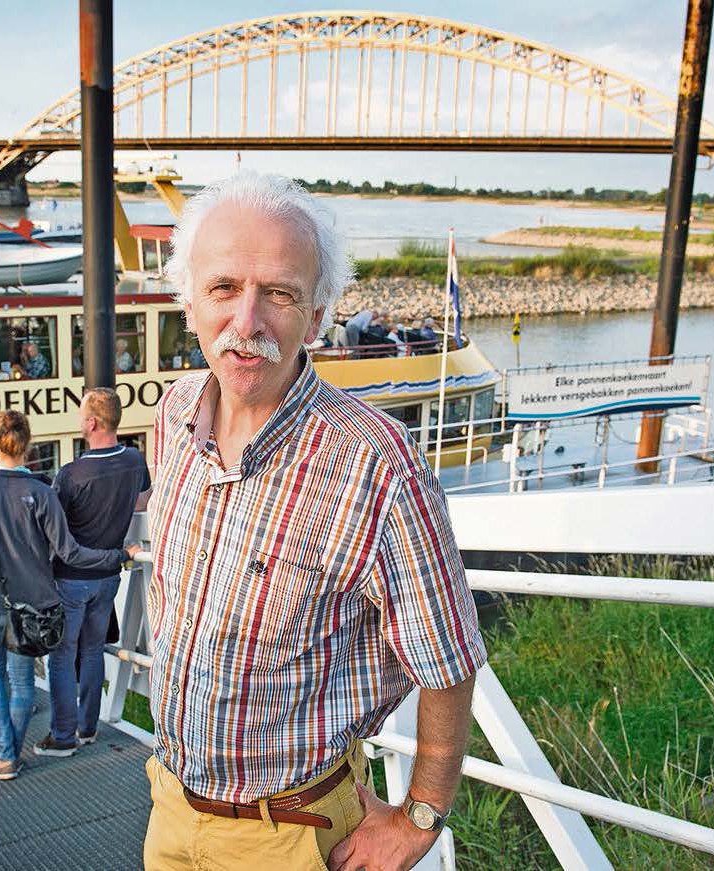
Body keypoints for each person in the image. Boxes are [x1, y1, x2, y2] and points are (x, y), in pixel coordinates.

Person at [149, 172, 486, 870]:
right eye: (222, 288)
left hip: (295, 832)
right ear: (188, 300)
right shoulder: (174, 414)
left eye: (279, 293)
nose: (247, 323)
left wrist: (421, 814)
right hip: (171, 807)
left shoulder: (377, 464)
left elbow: (448, 659)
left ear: (319, 311)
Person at [0, 410, 139, 781]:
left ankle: (5, 754)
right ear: (28, 445)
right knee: (21, 681)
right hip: (32, 603)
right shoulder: (41, 491)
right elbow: (69, 552)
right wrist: (117, 555)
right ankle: (11, 754)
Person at [35, 388, 152, 757]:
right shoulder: (134, 459)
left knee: (61, 656)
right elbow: (142, 502)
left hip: (71, 576)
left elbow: (55, 531)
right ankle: (88, 727)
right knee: (91, 652)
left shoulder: (71, 474)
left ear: (92, 422)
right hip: (110, 576)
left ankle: (63, 736)